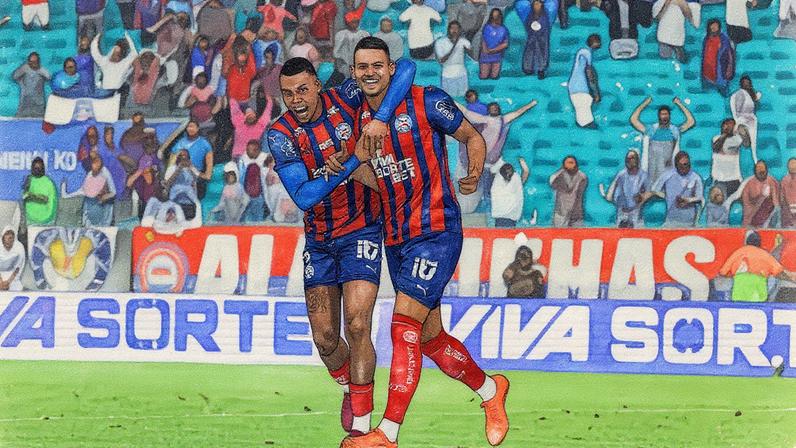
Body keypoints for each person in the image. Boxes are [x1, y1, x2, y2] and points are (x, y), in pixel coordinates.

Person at [336, 37, 508, 448]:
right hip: (395, 239)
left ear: (391, 68)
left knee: (403, 327)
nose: (370, 73)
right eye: (362, 67)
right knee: (430, 339)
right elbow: (376, 180)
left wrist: (474, 169)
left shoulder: (427, 100)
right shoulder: (355, 118)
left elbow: (473, 137)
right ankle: (491, 392)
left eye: (377, 65)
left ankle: (387, 434)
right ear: (355, 72)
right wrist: (344, 167)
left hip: (436, 232)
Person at [266, 55, 416, 438]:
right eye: (287, 94)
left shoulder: (346, 97)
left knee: (357, 323)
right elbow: (304, 196)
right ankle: (352, 387)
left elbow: (407, 65)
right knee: (325, 339)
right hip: (319, 241)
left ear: (318, 84)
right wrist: (351, 164)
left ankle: (362, 429)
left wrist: (380, 119)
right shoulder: (280, 134)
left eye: (302, 89)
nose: (296, 99)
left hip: (362, 230)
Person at [457, 100, 537, 212]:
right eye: (492, 107)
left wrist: (530, 104)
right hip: (478, 161)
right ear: (488, 110)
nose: (494, 109)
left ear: (499, 110)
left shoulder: (503, 120)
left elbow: (518, 112)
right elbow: (465, 112)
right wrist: (451, 101)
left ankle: (486, 208)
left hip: (490, 164)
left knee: (489, 191)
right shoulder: (482, 119)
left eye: (496, 107)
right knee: (476, 189)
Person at [629, 96, 695, 185]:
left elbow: (691, 122)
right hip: (653, 167)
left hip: (668, 167)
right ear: (658, 116)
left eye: (666, 114)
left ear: (669, 116)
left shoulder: (674, 131)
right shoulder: (651, 130)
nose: (664, 116)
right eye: (662, 114)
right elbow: (633, 120)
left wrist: (679, 104)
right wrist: (645, 103)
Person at [719, 231, 796, 302]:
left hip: (739, 295)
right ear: (759, 243)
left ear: (746, 241)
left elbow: (723, 272)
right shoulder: (765, 255)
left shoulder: (739, 252)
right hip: (758, 296)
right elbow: (779, 272)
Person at [644, 151, 703, 227]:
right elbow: (654, 190)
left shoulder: (696, 178)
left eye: (686, 165)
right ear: (676, 165)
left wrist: (688, 200)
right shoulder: (667, 175)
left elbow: (700, 198)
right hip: (670, 220)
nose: (684, 168)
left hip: (689, 221)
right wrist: (665, 196)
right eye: (681, 166)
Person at [63, 153, 117, 226]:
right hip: (91, 204)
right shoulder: (90, 174)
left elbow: (113, 192)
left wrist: (104, 197)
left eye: (98, 162)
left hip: (105, 204)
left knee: (104, 226)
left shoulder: (105, 172)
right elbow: (83, 190)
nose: (96, 165)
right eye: (94, 162)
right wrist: (65, 192)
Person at [603, 150, 650, 228]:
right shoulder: (622, 174)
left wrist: (641, 197)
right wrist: (609, 196)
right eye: (627, 159)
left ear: (637, 160)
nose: (629, 160)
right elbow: (613, 187)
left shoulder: (643, 176)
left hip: (636, 210)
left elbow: (648, 192)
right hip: (622, 210)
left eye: (632, 158)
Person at [171, 120, 213, 199]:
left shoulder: (204, 143)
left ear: (198, 128)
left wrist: (205, 175)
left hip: (196, 175)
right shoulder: (180, 143)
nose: (190, 129)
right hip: (180, 174)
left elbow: (209, 169)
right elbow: (172, 160)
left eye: (192, 126)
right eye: (188, 127)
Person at [711, 118, 750, 198]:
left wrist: (743, 131)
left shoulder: (736, 139)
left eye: (731, 125)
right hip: (719, 179)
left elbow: (747, 144)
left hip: (734, 179)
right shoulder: (716, 138)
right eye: (726, 125)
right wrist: (725, 134)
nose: (728, 127)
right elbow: (716, 148)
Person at [568, 34, 601, 128]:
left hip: (574, 86)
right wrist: (596, 92)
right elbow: (589, 72)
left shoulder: (582, 51)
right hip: (580, 86)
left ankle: (583, 124)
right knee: (584, 107)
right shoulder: (587, 53)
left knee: (581, 109)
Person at [434, 21, 472, 97]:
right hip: (448, 74)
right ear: (448, 29)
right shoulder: (440, 42)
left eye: (457, 28)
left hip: (462, 74)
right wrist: (455, 45)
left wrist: (468, 50)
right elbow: (442, 60)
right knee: (449, 100)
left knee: (462, 98)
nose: (454, 30)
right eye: (452, 28)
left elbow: (473, 56)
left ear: (460, 30)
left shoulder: (464, 41)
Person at [489, 157, 529, 227]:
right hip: (512, 216)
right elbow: (526, 171)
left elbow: (492, 170)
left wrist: (502, 159)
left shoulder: (498, 179)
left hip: (499, 215)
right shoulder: (516, 178)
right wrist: (522, 162)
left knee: (499, 233)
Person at [549, 155, 587, 227]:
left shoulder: (582, 177)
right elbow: (551, 182)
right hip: (561, 212)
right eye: (567, 163)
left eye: (571, 163)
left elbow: (578, 191)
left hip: (576, 214)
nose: (569, 165)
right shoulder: (560, 175)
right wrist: (561, 170)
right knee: (559, 235)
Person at [730, 75, 761, 163]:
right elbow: (738, 110)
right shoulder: (741, 93)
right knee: (748, 143)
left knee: (753, 145)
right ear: (741, 84)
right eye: (744, 83)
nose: (746, 84)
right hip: (743, 120)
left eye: (748, 83)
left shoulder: (750, 93)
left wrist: (757, 97)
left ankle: (755, 160)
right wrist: (739, 121)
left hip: (751, 120)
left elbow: (753, 102)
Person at [741, 160, 780, 228]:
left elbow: (776, 204)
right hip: (752, 217)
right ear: (755, 170)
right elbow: (746, 205)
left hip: (768, 217)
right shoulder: (749, 184)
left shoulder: (772, 182)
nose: (761, 170)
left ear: (766, 170)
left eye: (762, 168)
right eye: (758, 168)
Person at [701, 19, 735, 97]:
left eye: (716, 26)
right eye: (712, 27)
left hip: (720, 73)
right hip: (707, 74)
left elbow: (730, 56)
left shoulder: (724, 39)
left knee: (723, 93)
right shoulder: (706, 39)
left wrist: (729, 71)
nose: (714, 28)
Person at [238, 140, 269, 222]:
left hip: (261, 194)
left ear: (257, 150)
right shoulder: (243, 159)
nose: (247, 152)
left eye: (250, 150)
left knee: (258, 218)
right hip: (246, 193)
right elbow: (241, 177)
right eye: (247, 149)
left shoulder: (266, 158)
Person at [22, 157, 58, 226]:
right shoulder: (29, 179)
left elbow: (45, 199)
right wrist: (26, 190)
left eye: (39, 168)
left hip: (46, 220)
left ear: (43, 169)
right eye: (35, 168)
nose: (37, 170)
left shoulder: (48, 182)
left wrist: (32, 196)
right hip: (30, 220)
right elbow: (24, 197)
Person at [13, 52, 51, 117]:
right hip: (25, 102)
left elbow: (49, 77)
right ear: (28, 62)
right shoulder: (24, 68)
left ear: (38, 62)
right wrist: (21, 84)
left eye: (35, 62)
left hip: (38, 103)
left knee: (39, 121)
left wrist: (39, 70)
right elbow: (14, 76)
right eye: (31, 62)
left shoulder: (41, 70)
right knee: (21, 119)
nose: (33, 64)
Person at [522, 0, 551, 79]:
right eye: (535, 4)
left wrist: (539, 31)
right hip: (532, 37)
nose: (537, 6)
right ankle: (528, 68)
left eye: (538, 4)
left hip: (542, 38)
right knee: (529, 51)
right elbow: (527, 23)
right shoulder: (531, 15)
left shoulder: (544, 16)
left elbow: (545, 26)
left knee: (542, 52)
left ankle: (541, 69)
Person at [479, 8, 509, 80]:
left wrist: (494, 50)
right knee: (484, 76)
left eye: (497, 16)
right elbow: (483, 40)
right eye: (493, 17)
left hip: (496, 56)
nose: (495, 19)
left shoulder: (503, 29)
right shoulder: (486, 27)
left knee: (494, 76)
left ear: (500, 17)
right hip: (485, 55)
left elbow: (505, 44)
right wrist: (486, 50)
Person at [0, 227, 25, 292]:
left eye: (11, 239)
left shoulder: (19, 247)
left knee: (17, 288)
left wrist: (8, 282)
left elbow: (18, 267)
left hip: (12, 276)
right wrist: (1, 282)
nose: (8, 242)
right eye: (6, 239)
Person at [782, 158, 796, 228]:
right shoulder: (784, 181)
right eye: (791, 164)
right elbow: (782, 199)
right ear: (788, 167)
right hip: (788, 215)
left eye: (794, 164)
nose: (793, 166)